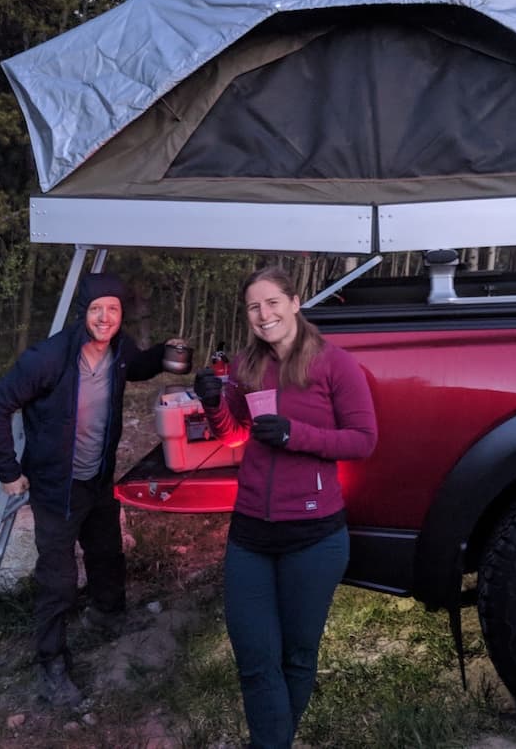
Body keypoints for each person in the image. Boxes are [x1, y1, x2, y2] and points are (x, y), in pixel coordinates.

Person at [193, 266, 378, 749]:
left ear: (295, 303)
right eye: (254, 306)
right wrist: (213, 403)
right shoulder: (244, 366)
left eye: (273, 302)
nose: (264, 314)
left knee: (296, 656)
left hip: (314, 537)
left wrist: (298, 436)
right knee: (255, 659)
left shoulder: (335, 365)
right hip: (251, 533)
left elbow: (363, 440)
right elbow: (233, 434)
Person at [0, 271, 179, 707]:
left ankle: (107, 616)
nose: (105, 317)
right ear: (82, 313)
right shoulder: (48, 359)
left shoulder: (120, 349)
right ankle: (51, 663)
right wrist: (8, 471)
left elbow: (138, 367)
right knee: (59, 579)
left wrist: (165, 352)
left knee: (107, 552)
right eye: (96, 309)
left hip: (98, 478)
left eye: (113, 309)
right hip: (56, 488)